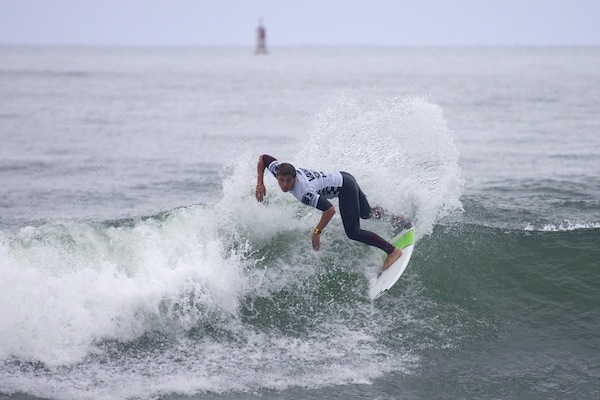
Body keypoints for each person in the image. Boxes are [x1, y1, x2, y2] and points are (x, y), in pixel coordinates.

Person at [255, 154, 406, 271]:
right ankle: (397, 219)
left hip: (344, 188)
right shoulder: (278, 169)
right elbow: (263, 158)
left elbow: (330, 210)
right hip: (345, 177)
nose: (284, 185)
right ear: (277, 175)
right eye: (281, 180)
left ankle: (392, 251)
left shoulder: (304, 192)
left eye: (288, 180)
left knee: (353, 232)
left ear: (294, 178)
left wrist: (316, 232)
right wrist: (260, 183)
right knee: (366, 213)